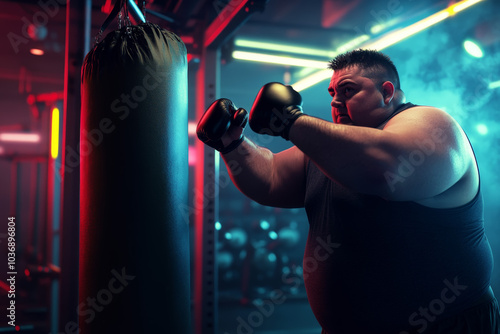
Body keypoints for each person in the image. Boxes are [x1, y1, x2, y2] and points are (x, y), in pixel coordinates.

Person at [196, 49, 499, 334]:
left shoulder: (430, 123)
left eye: (348, 90)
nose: (336, 101)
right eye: (332, 93)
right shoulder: (332, 148)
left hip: (445, 324)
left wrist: (291, 122)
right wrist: (233, 144)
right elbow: (272, 178)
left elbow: (390, 172)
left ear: (387, 92)